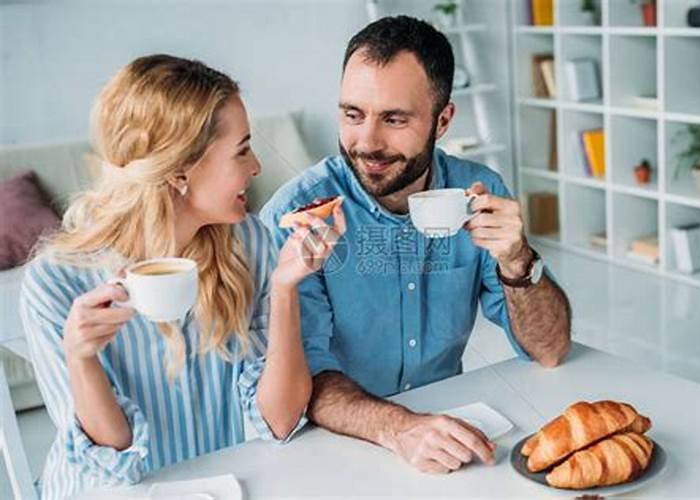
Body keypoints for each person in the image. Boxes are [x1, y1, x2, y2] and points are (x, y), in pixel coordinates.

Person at [20, 54, 344, 499]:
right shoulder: (55, 281)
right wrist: (82, 358)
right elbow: (113, 459)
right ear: (179, 171)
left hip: (227, 485)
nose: (256, 167)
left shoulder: (247, 242)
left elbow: (281, 419)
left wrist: (286, 287)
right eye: (242, 149)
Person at [260, 16, 571, 474]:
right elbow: (304, 381)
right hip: (330, 447)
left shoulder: (479, 191)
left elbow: (550, 349)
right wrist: (399, 427)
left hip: (442, 437)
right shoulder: (298, 215)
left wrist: (517, 259)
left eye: (394, 119)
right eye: (353, 114)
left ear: (442, 120)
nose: (367, 142)